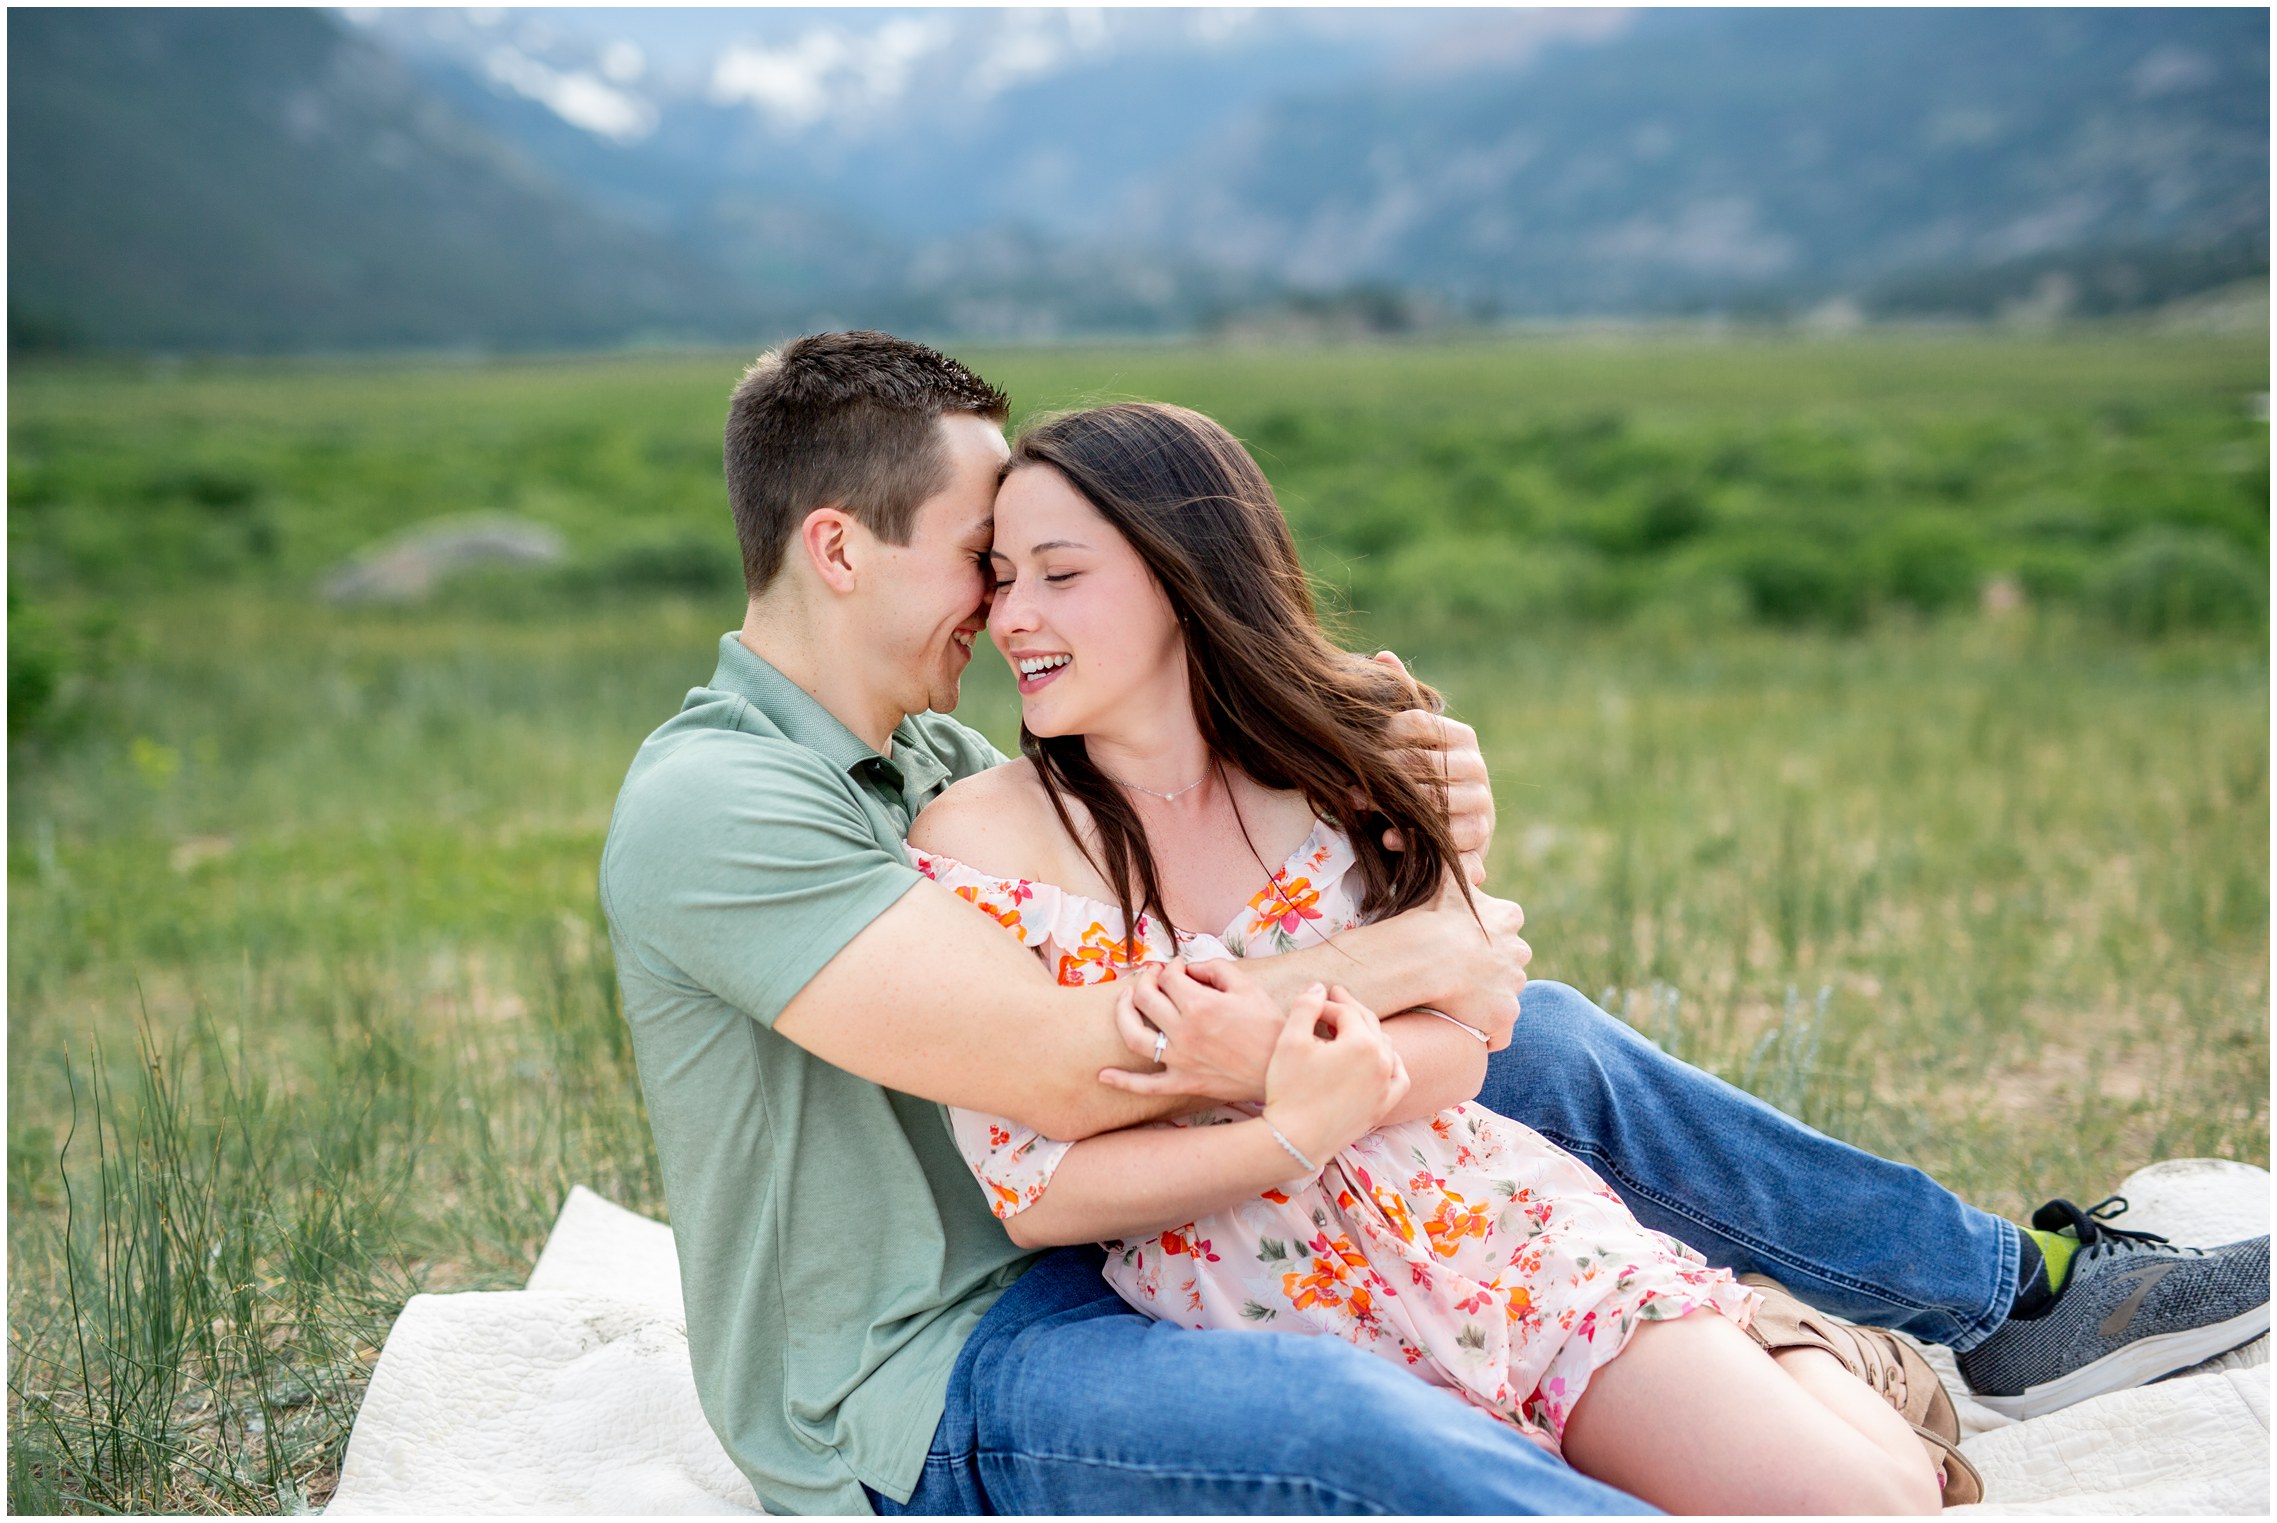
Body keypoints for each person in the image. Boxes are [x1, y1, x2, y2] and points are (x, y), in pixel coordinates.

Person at [597, 330, 2270, 1515]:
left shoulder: (935, 755)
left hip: (1127, 1243)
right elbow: (1064, 1069)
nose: (1001, 605)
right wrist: (1411, 962)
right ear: (836, 546)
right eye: (979, 557)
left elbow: (1260, 897)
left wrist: (1420, 830)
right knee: (1354, 1423)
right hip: (934, 1359)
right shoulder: (720, 804)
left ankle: (1996, 1294)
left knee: (1548, 1039)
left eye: (1037, 566)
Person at [904, 399, 1960, 1512]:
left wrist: (1255, 1056)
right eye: (1002, 575)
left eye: (1059, 575)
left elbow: (1476, 1028)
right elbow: (1035, 1194)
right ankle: (1741, 1336)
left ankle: (1796, 1344)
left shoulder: (1347, 767)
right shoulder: (979, 838)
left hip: (1485, 1220)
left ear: (1182, 572)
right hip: (1271, 1306)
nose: (1013, 615)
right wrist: (1284, 1125)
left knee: (1870, 1506)